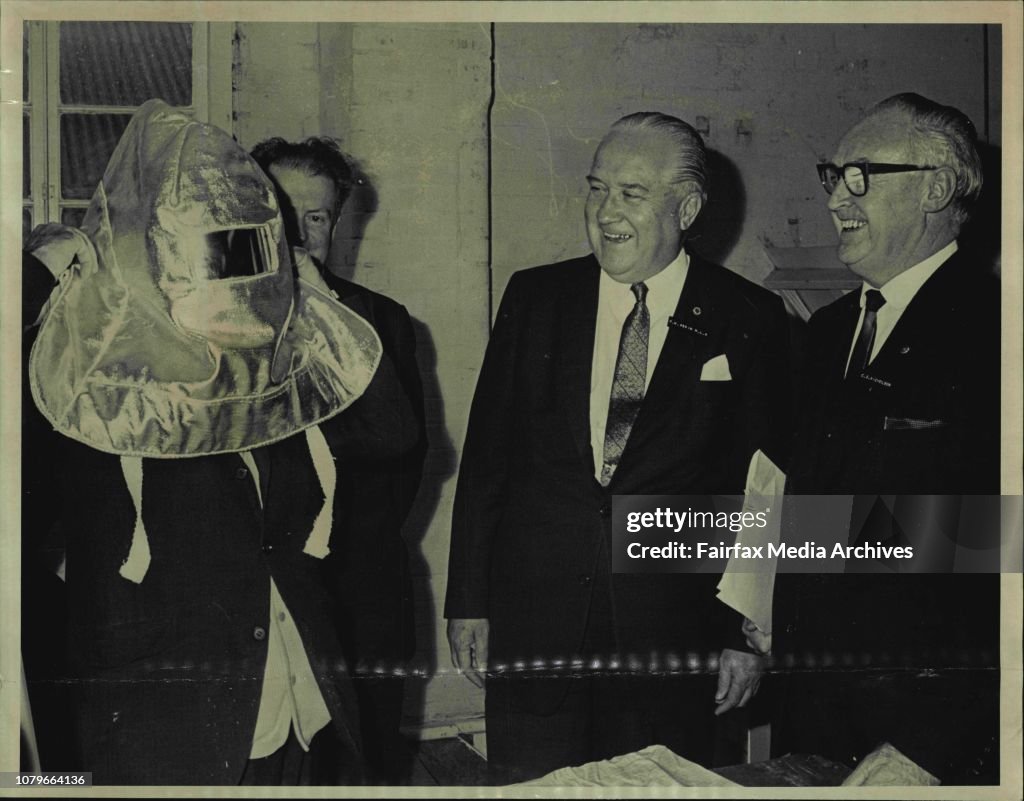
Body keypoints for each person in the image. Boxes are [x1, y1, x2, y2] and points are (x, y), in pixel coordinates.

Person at [21, 100, 420, 785]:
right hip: (163, 727)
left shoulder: (282, 364)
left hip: (300, 707)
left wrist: (311, 298)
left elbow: (391, 434)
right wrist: (32, 282)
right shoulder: (91, 375)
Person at [444, 111, 791, 783]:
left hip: (673, 642)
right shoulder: (535, 296)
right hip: (536, 627)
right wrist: (468, 599)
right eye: (596, 189)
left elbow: (764, 491)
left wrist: (742, 635)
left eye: (631, 193)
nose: (606, 211)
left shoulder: (747, 316)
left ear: (686, 207)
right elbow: (488, 460)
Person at [775, 93, 1000, 783]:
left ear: (935, 188)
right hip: (816, 712)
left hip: (928, 738)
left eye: (861, 175)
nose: (838, 198)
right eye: (833, 175)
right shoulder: (824, 332)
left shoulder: (995, 330)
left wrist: (934, 741)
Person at [250, 137, 427, 783]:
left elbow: (398, 467)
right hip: (255, 612)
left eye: (317, 216)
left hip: (357, 602)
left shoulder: (381, 321)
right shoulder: (210, 327)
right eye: (279, 207)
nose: (298, 230)